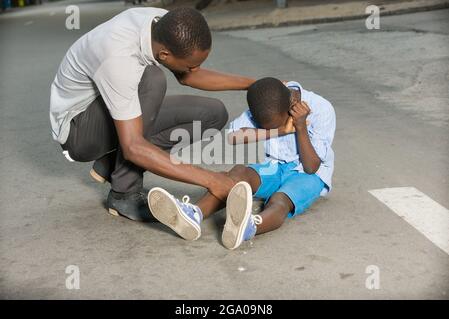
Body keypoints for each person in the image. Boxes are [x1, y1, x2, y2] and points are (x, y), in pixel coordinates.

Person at [50, 7, 256, 222]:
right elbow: (133, 147)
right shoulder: (119, 59)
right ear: (165, 54)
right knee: (152, 79)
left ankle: (111, 161)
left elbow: (188, 76)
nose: (195, 70)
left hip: (112, 105)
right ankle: (124, 193)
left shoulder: (161, 23)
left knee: (212, 114)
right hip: (78, 130)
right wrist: (212, 179)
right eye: (192, 66)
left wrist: (253, 84)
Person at [148, 77, 336, 249]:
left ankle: (248, 226)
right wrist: (279, 130)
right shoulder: (266, 104)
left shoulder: (321, 109)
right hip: (275, 166)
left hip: (308, 174)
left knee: (279, 200)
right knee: (238, 174)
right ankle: (194, 214)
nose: (266, 129)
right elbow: (233, 137)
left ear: (292, 105)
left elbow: (312, 166)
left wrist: (300, 126)